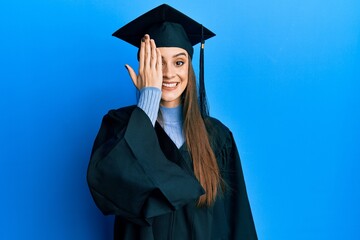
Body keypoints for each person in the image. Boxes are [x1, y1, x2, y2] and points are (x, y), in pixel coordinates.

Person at [87, 4, 257, 240]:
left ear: (190, 67)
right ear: (144, 66)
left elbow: (239, 222)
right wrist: (148, 98)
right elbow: (109, 187)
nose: (168, 73)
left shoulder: (218, 137)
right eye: (157, 62)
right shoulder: (119, 126)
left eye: (178, 62)